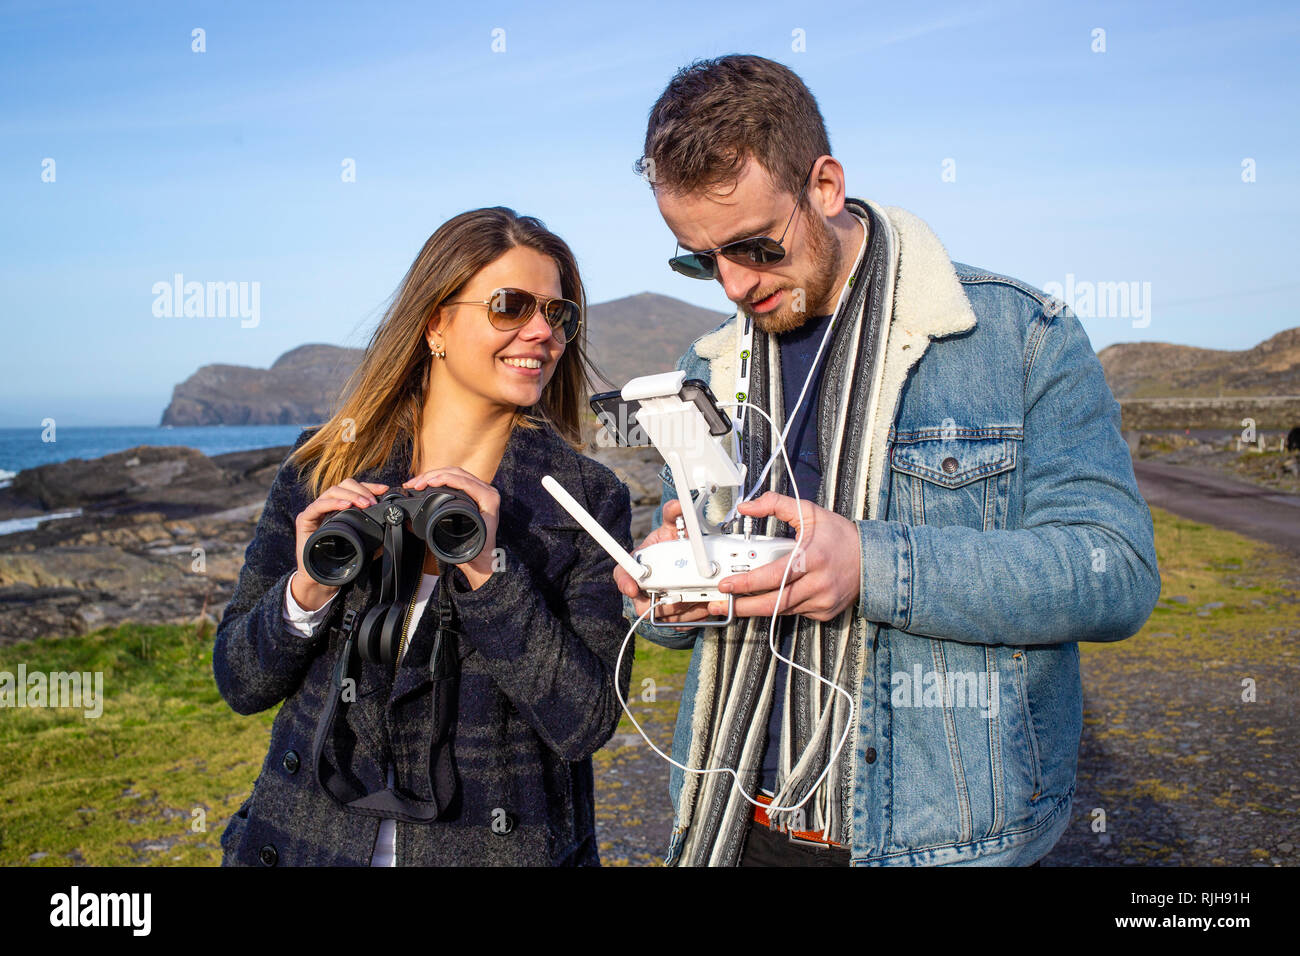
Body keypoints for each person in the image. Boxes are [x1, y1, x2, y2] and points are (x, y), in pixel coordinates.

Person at [615, 55, 1160, 867]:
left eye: (755, 247)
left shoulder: (1018, 337)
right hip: (733, 830)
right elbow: (685, 631)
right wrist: (669, 590)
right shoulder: (707, 368)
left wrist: (872, 566)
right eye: (700, 259)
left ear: (825, 186)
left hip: (939, 844)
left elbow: (1114, 573)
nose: (733, 285)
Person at [214, 206, 633, 866]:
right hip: (307, 845)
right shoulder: (323, 465)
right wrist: (308, 588)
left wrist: (490, 574)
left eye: (558, 315)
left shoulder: (585, 500)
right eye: (511, 306)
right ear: (436, 321)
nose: (541, 333)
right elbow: (240, 681)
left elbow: (585, 721)